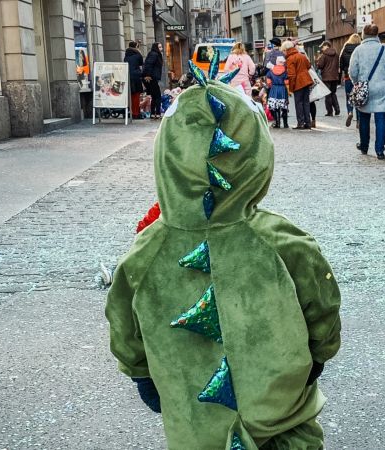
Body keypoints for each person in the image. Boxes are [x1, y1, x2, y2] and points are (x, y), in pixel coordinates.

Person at [105, 68, 342, 449]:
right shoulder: (281, 240)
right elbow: (321, 302)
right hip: (282, 418)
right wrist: (317, 356)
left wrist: (143, 376)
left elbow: (123, 321)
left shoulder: (146, 252)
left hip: (193, 420)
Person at [349, 24, 385, 160]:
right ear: (377, 35)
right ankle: (380, 150)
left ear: (364, 35)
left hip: (365, 88)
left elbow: (352, 71)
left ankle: (364, 146)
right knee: (381, 120)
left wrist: (357, 83)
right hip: (383, 88)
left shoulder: (358, 50)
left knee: (364, 118)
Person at [284, 40, 314, 130]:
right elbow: (309, 66)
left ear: (286, 49)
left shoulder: (290, 59)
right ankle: (308, 123)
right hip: (307, 80)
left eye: (284, 50)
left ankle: (300, 123)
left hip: (298, 82)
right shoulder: (302, 55)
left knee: (299, 103)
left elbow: (291, 75)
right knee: (306, 102)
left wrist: (291, 88)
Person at [340, 34, 362, 127]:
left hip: (348, 77)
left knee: (349, 97)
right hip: (358, 78)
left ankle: (350, 112)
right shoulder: (361, 49)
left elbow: (341, 64)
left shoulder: (345, 49)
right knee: (358, 98)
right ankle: (358, 121)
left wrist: (343, 72)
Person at [316, 41, 341, 116]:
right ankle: (337, 109)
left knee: (328, 94)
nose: (322, 48)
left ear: (326, 46)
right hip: (335, 77)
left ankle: (330, 112)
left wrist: (318, 61)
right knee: (333, 93)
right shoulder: (336, 54)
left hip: (326, 77)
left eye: (323, 47)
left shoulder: (324, 55)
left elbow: (320, 65)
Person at [266, 55, 290, 128]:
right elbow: (287, 82)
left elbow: (268, 82)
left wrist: (271, 86)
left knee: (275, 107)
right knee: (284, 107)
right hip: (283, 89)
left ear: (277, 62)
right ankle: (285, 124)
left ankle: (277, 123)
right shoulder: (285, 71)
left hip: (274, 89)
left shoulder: (271, 70)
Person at [142, 42, 164, 119]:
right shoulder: (154, 54)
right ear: (156, 47)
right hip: (151, 78)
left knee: (154, 96)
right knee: (157, 96)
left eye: (161, 47)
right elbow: (148, 64)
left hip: (152, 77)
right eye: (160, 47)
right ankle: (157, 113)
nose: (161, 49)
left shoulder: (155, 54)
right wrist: (147, 75)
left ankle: (153, 113)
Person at [124, 41, 145, 120]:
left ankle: (132, 112)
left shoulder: (126, 55)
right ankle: (136, 113)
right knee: (136, 95)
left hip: (128, 76)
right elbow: (141, 63)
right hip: (136, 77)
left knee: (131, 95)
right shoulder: (138, 55)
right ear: (136, 46)